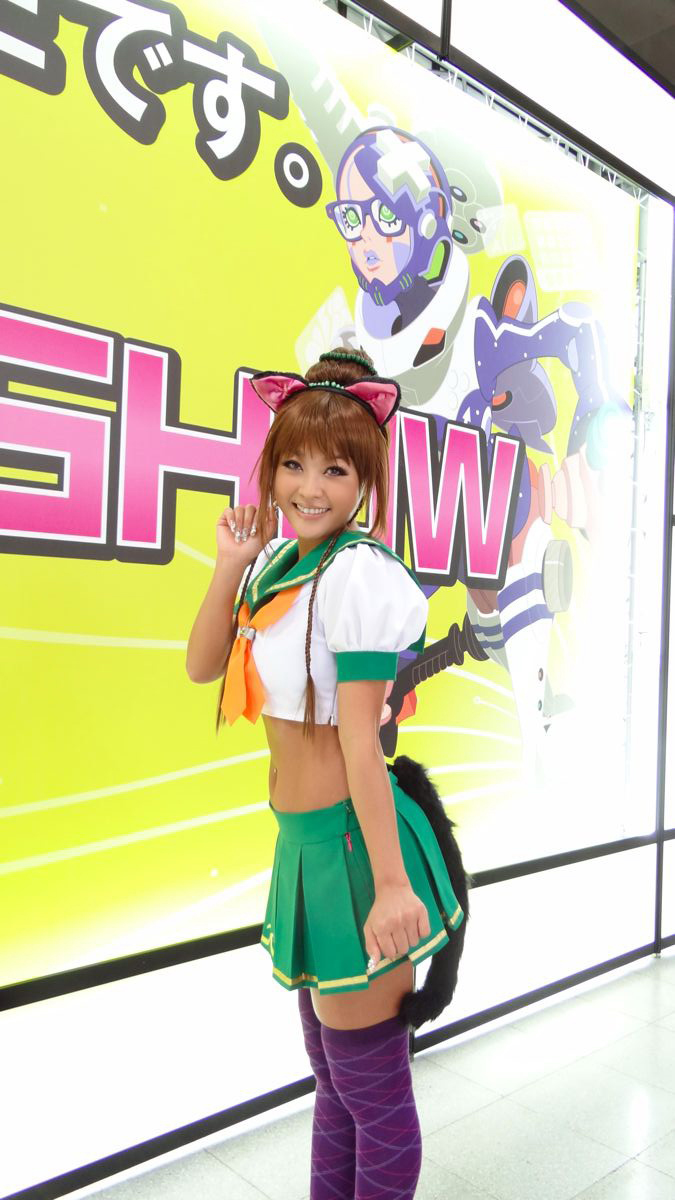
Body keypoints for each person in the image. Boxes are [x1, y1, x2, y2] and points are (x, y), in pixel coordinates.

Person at [186, 347, 465, 1200]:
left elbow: (357, 745)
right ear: (270, 467)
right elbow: (202, 667)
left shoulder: (356, 576)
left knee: (372, 1097)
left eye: (335, 470)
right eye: (293, 465)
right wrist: (230, 563)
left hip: (353, 851)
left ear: (365, 479)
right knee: (334, 1085)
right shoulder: (277, 564)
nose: (309, 488)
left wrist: (391, 885)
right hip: (302, 847)